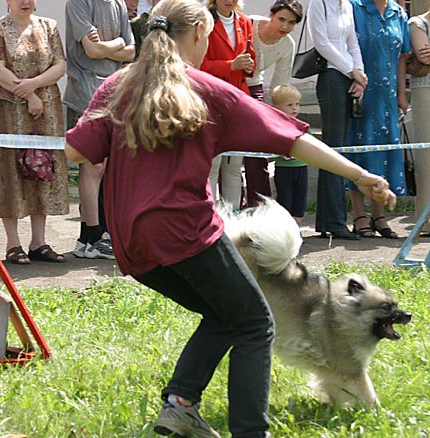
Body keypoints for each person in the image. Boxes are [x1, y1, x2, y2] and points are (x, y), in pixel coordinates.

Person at [64, 0, 396, 436]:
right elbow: (290, 138)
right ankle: (249, 431)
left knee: (225, 313)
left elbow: (74, 152)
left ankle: (180, 405)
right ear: (200, 34)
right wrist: (360, 173)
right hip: (186, 231)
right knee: (255, 322)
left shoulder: (116, 87)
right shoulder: (207, 89)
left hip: (130, 241)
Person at [0, 0, 69, 265]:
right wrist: (30, 94)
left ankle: (39, 242)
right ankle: (13, 244)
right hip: (10, 108)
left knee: (42, 169)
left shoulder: (48, 26)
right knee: (10, 170)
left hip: (47, 109)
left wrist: (35, 85)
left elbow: (59, 64)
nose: (25, 2)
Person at [64, 0, 135, 260]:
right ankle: (92, 235)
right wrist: (117, 43)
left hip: (114, 94)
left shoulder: (118, 3)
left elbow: (132, 51)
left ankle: (91, 237)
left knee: (107, 168)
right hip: (85, 93)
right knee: (92, 166)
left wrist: (110, 45)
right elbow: (91, 52)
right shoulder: (78, 3)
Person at [345, 0, 411, 239]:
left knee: (384, 152)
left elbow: (402, 56)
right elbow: (346, 47)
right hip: (360, 91)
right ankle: (359, 214)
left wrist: (402, 95)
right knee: (359, 150)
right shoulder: (353, 7)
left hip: (389, 96)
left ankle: (379, 214)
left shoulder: (398, 12)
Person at [308, 0, 368, 239]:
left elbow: (352, 43)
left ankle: (332, 221)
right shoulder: (318, 3)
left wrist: (360, 75)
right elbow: (322, 43)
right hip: (332, 77)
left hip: (349, 77)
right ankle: (333, 222)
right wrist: (350, 70)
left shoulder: (348, 5)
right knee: (334, 149)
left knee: (341, 150)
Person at [245, 0, 302, 208]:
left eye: (291, 23)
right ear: (271, 14)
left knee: (258, 149)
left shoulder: (288, 44)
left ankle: (260, 206)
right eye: (281, 19)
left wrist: (283, 126)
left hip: (254, 87)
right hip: (229, 83)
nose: (284, 26)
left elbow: (280, 88)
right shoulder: (248, 24)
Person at [201, 0, 255, 207]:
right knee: (213, 165)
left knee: (234, 167)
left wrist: (249, 64)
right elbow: (199, 64)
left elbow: (250, 60)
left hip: (238, 99)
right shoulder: (204, 20)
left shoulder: (244, 21)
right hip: (212, 99)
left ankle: (232, 218)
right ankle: (212, 218)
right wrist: (230, 65)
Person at [271, 85, 308, 225]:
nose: (295, 108)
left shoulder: (302, 125)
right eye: (290, 105)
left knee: (300, 201)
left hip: (301, 167)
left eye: (297, 104)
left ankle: (295, 228)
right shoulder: (275, 126)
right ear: (277, 107)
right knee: (285, 200)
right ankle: (285, 229)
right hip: (284, 169)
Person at [408, 4, 430, 236]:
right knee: (426, 157)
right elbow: (424, 55)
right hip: (425, 93)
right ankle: (426, 220)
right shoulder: (417, 23)